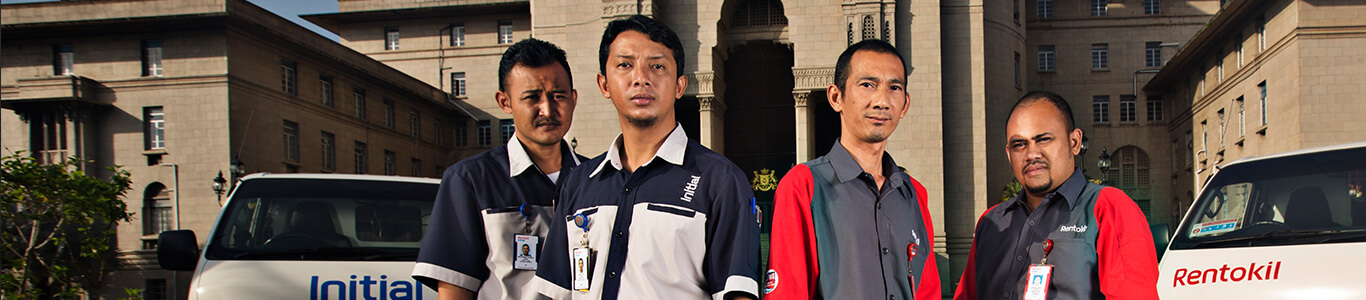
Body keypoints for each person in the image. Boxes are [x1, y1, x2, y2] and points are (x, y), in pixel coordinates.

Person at [530, 15, 761, 300]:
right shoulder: (578, 183)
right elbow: (557, 293)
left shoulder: (721, 181)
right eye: (625, 65)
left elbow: (738, 294)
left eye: (657, 66)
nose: (641, 78)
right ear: (604, 84)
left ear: (679, 86)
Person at [763, 39, 942, 300]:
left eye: (894, 87)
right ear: (836, 97)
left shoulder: (915, 194)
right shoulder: (804, 186)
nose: (882, 100)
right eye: (868, 85)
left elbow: (928, 292)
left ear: (904, 104)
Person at [412, 38, 583, 300]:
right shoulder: (470, 180)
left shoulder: (598, 179)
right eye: (532, 98)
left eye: (558, 96)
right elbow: (455, 290)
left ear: (573, 98)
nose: (548, 109)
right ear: (505, 102)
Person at [953, 91, 1159, 299]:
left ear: (1074, 142)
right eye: (1019, 145)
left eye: (1043, 139)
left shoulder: (1108, 208)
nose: (1031, 154)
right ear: (1008, 154)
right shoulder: (990, 222)